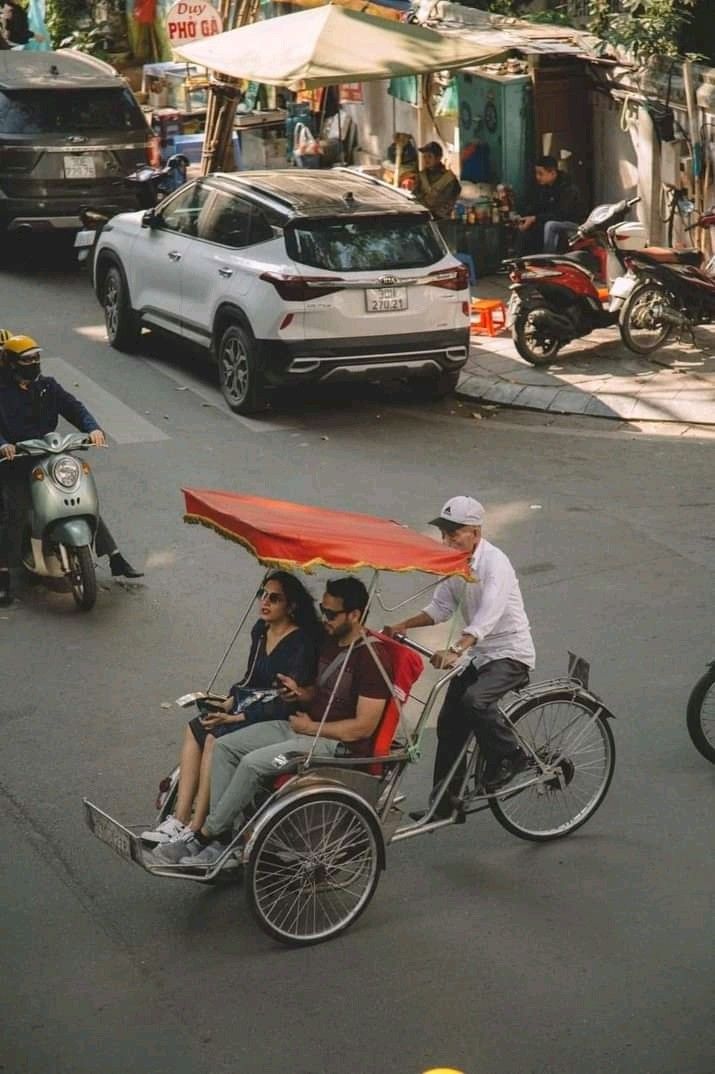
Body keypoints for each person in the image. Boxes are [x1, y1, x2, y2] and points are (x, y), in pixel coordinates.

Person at [154, 575, 394, 866]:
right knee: (223, 746)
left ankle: (205, 835)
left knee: (252, 764)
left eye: (331, 614)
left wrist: (311, 728)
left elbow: (363, 727)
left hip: (333, 743)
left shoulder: (372, 660)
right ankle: (223, 837)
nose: (324, 619)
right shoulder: (330, 642)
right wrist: (300, 693)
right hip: (300, 726)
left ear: (355, 615)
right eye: (323, 610)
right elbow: (317, 691)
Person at [141, 571, 321, 845]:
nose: (265, 602)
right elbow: (250, 679)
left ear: (291, 606)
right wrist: (228, 702)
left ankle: (198, 825)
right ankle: (179, 818)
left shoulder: (300, 643)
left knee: (214, 739)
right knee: (195, 728)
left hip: (275, 714)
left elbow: (284, 699)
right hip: (248, 705)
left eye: (274, 598)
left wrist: (236, 717)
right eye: (262, 594)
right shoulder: (261, 630)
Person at [384, 495, 535, 813]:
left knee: (474, 701)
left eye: (454, 533)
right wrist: (403, 625)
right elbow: (440, 607)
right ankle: (445, 802)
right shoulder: (456, 566)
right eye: (444, 533)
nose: (447, 540)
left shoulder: (495, 564)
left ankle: (511, 756)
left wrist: (455, 649)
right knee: (448, 722)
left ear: (475, 532)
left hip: (509, 653)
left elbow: (488, 616)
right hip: (479, 655)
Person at [0, 334, 142, 605]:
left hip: (49, 454)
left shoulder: (47, 386)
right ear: (11, 363)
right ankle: (4, 576)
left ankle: (114, 555)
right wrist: (4, 445)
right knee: (14, 513)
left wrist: (92, 428)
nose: (34, 363)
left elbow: (73, 407)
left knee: (79, 498)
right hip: (16, 461)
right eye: (27, 360)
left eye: (36, 357)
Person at [516, 155, 582, 255]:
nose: (537, 177)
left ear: (552, 173)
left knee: (550, 225)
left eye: (540, 173)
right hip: (552, 219)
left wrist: (535, 218)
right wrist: (524, 218)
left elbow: (561, 214)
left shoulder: (568, 188)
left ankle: (548, 259)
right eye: (536, 173)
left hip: (572, 224)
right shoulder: (545, 187)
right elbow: (537, 207)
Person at [415, 141, 461, 222]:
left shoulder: (449, 178)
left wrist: (437, 214)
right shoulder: (421, 176)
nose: (426, 160)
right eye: (424, 157)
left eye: (429, 156)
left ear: (438, 158)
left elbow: (451, 201)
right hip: (423, 216)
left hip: (441, 220)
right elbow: (415, 195)